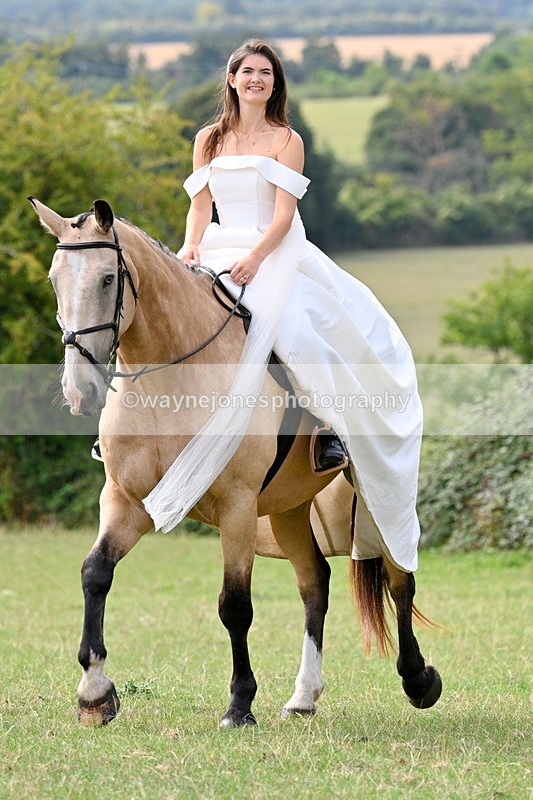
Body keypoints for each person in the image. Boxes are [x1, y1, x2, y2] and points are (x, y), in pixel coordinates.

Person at [143, 39, 423, 573]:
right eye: (247, 71)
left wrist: (255, 259)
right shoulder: (208, 139)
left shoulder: (287, 140)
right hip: (218, 248)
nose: (256, 80)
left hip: (274, 249)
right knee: (169, 322)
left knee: (297, 330)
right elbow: (200, 206)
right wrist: (191, 246)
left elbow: (282, 216)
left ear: (275, 83)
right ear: (231, 79)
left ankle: (329, 433)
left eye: (266, 73)